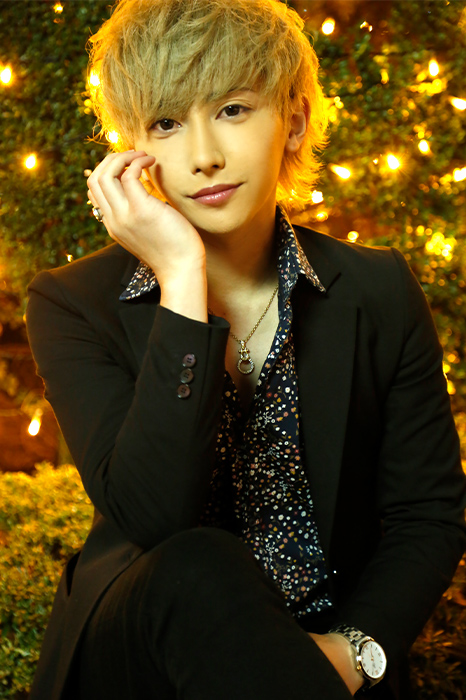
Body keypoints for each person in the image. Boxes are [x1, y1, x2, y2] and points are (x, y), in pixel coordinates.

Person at [26, 1, 465, 698]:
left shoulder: (377, 288)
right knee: (198, 560)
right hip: (142, 656)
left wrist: (353, 653)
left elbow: (428, 515)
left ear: (293, 119)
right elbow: (155, 519)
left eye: (232, 109)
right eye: (166, 123)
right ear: (132, 148)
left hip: (320, 658)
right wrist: (181, 278)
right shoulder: (71, 302)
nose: (204, 156)